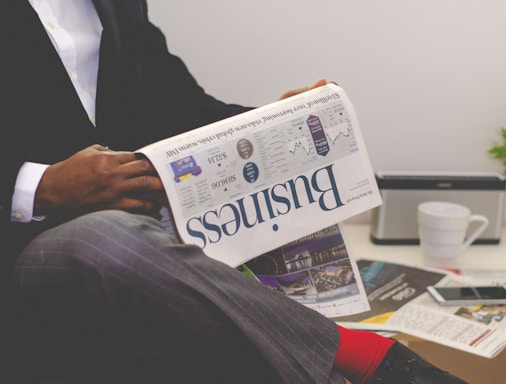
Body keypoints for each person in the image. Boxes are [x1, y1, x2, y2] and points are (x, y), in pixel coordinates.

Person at [0, 1, 468, 383]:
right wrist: (40, 188)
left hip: (152, 243)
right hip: (28, 246)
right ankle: (376, 361)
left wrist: (273, 124)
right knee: (107, 239)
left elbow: (179, 107)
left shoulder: (121, 5)